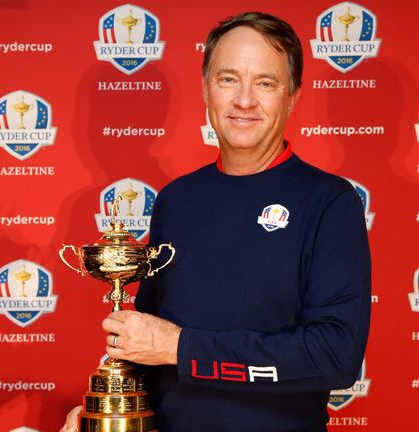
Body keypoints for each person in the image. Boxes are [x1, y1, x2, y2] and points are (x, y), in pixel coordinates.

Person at [61, 11, 371, 432]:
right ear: (207, 89)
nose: (244, 100)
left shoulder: (329, 202)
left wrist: (182, 347)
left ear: (292, 96)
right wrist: (107, 415)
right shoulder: (176, 200)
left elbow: (335, 357)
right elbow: (149, 349)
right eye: (228, 79)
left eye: (265, 82)